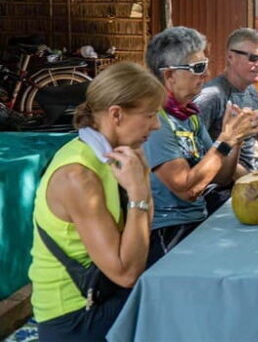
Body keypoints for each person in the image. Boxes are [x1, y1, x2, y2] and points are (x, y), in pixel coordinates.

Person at [29, 62, 165, 341]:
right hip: (75, 315)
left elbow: (139, 241)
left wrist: (142, 184)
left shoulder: (114, 156)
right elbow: (126, 273)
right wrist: (139, 193)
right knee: (177, 308)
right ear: (116, 114)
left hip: (104, 292)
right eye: (150, 115)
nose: (157, 125)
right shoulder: (77, 176)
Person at [143, 26, 258, 266]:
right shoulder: (155, 121)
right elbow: (188, 190)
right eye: (198, 68)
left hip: (196, 221)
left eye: (206, 65)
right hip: (168, 231)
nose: (206, 74)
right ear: (170, 75)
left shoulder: (188, 115)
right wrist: (226, 140)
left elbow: (221, 176)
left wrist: (235, 139)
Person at [195, 28, 258, 171]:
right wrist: (240, 175)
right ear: (230, 57)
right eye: (254, 58)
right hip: (224, 181)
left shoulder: (250, 90)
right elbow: (195, 154)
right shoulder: (211, 97)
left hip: (251, 172)